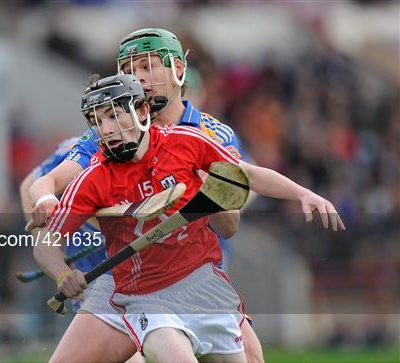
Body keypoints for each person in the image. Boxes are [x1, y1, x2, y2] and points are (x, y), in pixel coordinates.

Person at [35, 74, 344, 363]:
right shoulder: (93, 179)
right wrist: (62, 274)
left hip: (205, 283)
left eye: (115, 115)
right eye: (98, 121)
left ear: (142, 109)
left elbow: (245, 174)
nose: (107, 128)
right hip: (145, 297)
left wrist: (304, 193)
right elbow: (45, 244)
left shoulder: (186, 142)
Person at [27, 28, 264, 363]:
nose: (139, 77)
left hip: (198, 276)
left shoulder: (212, 135)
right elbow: (42, 183)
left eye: (148, 67)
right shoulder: (112, 132)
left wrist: (207, 187)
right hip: (127, 279)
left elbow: (230, 223)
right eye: (129, 69)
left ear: (178, 70)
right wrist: (46, 202)